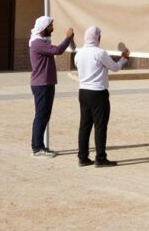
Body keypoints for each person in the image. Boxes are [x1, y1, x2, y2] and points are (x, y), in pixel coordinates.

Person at [74, 26, 129, 167]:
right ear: (97, 37)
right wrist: (123, 59)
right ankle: (100, 158)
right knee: (100, 125)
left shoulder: (79, 53)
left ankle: (83, 157)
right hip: (98, 92)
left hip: (83, 91)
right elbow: (115, 68)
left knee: (85, 125)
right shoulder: (99, 53)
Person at [28, 16, 73, 158]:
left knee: (45, 116)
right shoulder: (37, 43)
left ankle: (40, 146)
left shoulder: (42, 41)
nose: (52, 28)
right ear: (43, 28)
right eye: (50, 26)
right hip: (41, 84)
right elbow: (58, 50)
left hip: (47, 83)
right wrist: (68, 38)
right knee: (41, 116)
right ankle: (36, 148)